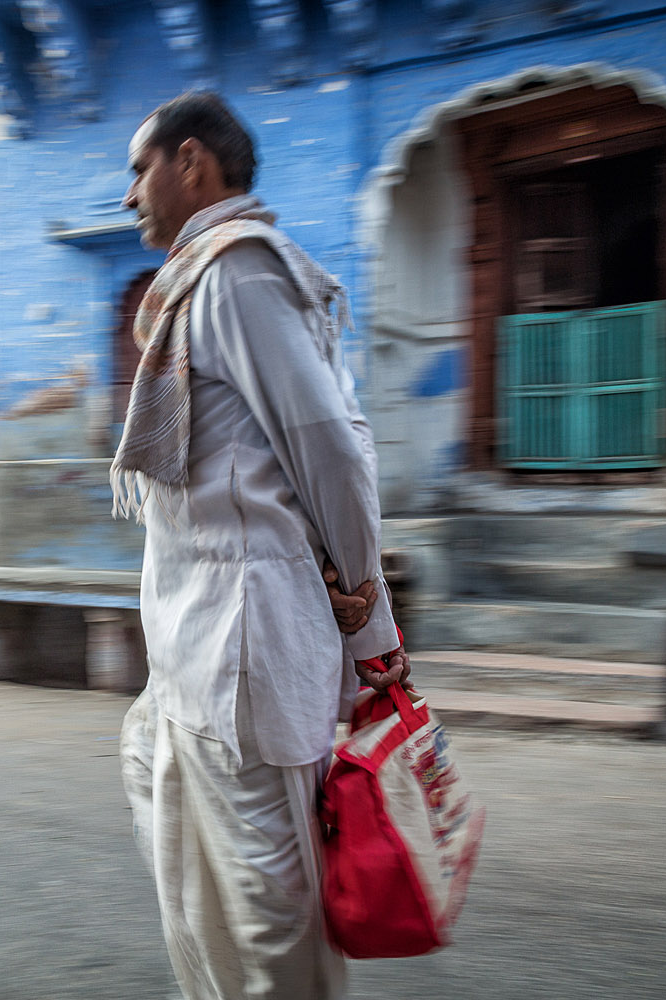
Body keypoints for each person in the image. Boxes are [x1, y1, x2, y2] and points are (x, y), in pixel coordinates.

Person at [114, 91, 407, 1000]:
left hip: (245, 648)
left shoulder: (237, 272)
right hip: (195, 644)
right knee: (198, 869)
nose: (130, 196)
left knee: (268, 904)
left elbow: (332, 452)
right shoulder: (199, 283)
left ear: (191, 162)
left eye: (139, 169)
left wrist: (372, 639)